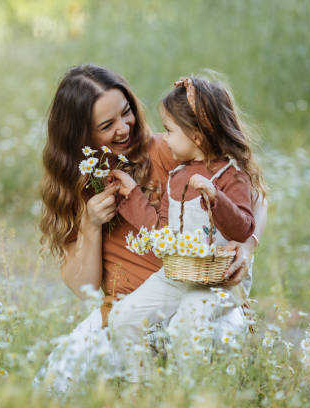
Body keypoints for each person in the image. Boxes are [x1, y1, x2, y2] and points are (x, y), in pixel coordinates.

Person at [36, 64, 267, 392]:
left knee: (202, 349)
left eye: (126, 112)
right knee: (51, 386)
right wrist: (90, 224)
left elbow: (253, 194)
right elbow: (83, 286)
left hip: (198, 297)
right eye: (107, 125)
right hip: (131, 312)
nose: (123, 128)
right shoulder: (76, 187)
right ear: (80, 136)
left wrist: (247, 246)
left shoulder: (169, 149)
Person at [109, 75, 266, 380]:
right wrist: (132, 195)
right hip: (178, 275)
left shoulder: (231, 176)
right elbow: (162, 230)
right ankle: (146, 387)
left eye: (169, 130)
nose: (164, 139)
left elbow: (244, 228)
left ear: (197, 135)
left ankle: (188, 393)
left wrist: (214, 197)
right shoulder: (178, 175)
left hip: (218, 281)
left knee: (188, 323)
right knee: (124, 318)